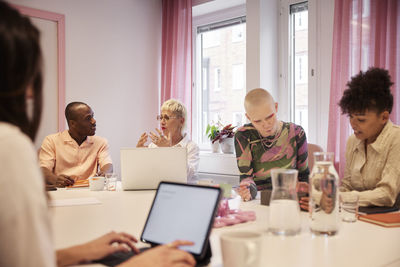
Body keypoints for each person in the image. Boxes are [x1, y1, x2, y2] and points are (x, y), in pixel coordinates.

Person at [0, 2, 195, 266]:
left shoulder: (102, 142)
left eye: (166, 117)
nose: (32, 93)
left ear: (180, 120)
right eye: (27, 77)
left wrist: (81, 251)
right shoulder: (11, 145)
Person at [235, 88, 309, 201]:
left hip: (290, 199)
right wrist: (247, 190)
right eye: (257, 121)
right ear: (249, 117)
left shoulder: (297, 133)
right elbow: (246, 178)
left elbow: (304, 176)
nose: (266, 125)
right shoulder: (244, 136)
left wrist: (304, 191)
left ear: (276, 107)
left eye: (269, 117)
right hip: (260, 200)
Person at [39, 101, 113, 187]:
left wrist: (104, 173)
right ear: (72, 123)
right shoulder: (51, 141)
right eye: (88, 118)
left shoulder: (101, 142)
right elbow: (43, 169)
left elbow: (108, 165)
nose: (94, 121)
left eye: (93, 116)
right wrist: (55, 179)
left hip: (90, 190)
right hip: (63, 190)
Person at [136, 99, 199, 182]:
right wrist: (138, 155)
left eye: (166, 118)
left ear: (181, 121)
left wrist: (169, 150)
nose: (162, 122)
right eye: (161, 117)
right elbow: (144, 175)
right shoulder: (154, 145)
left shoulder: (191, 147)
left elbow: (186, 176)